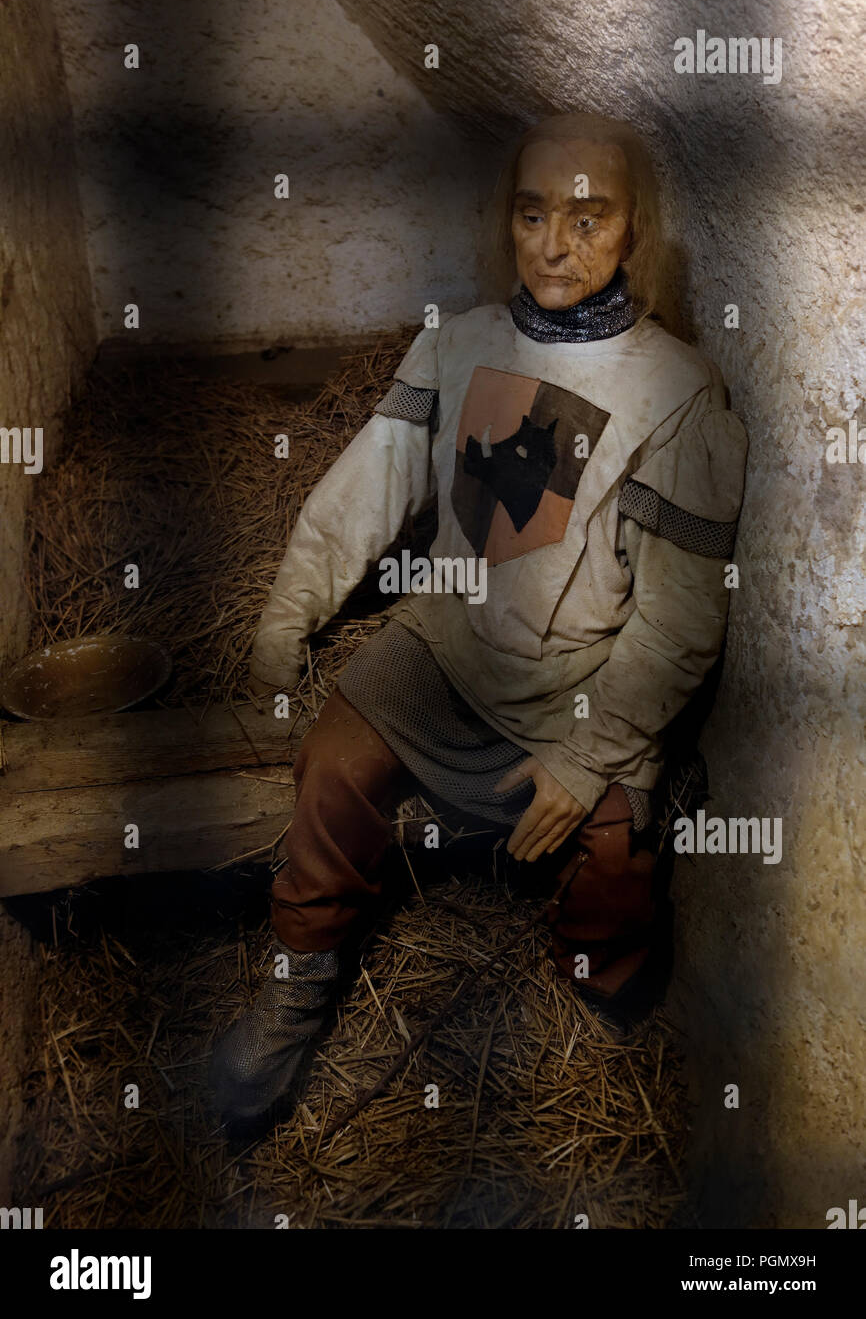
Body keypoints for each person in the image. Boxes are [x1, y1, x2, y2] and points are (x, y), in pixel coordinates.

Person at [210, 111, 748, 1125]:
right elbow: (363, 490)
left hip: (582, 687)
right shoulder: (455, 346)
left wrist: (592, 756)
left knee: (615, 859)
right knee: (328, 770)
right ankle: (301, 984)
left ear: (634, 230)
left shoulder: (677, 395)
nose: (555, 241)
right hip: (445, 645)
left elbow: (679, 623)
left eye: (589, 218)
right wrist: (285, 615)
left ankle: (596, 1002)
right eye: (532, 212)